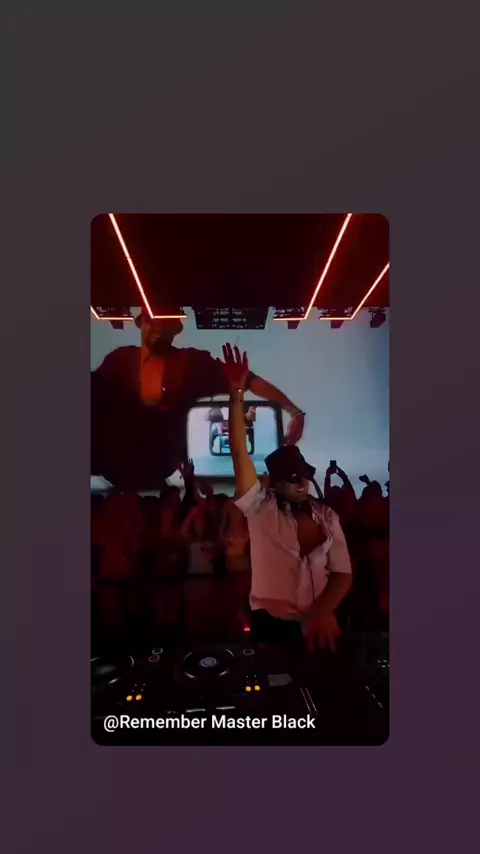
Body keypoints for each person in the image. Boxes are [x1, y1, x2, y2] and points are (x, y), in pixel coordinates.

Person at [219, 343, 352, 651]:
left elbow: (343, 573)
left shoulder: (326, 515)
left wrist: (322, 611)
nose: (302, 483)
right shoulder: (259, 507)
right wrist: (236, 395)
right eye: (293, 478)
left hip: (323, 622)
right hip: (273, 626)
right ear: (276, 484)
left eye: (304, 475)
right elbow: (239, 453)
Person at [91, 311, 306, 489]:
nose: (159, 329)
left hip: (158, 464)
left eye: (166, 324)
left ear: (174, 330)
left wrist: (294, 412)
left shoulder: (189, 363)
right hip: (116, 466)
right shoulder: (121, 360)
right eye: (153, 322)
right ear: (142, 323)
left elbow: (247, 379)